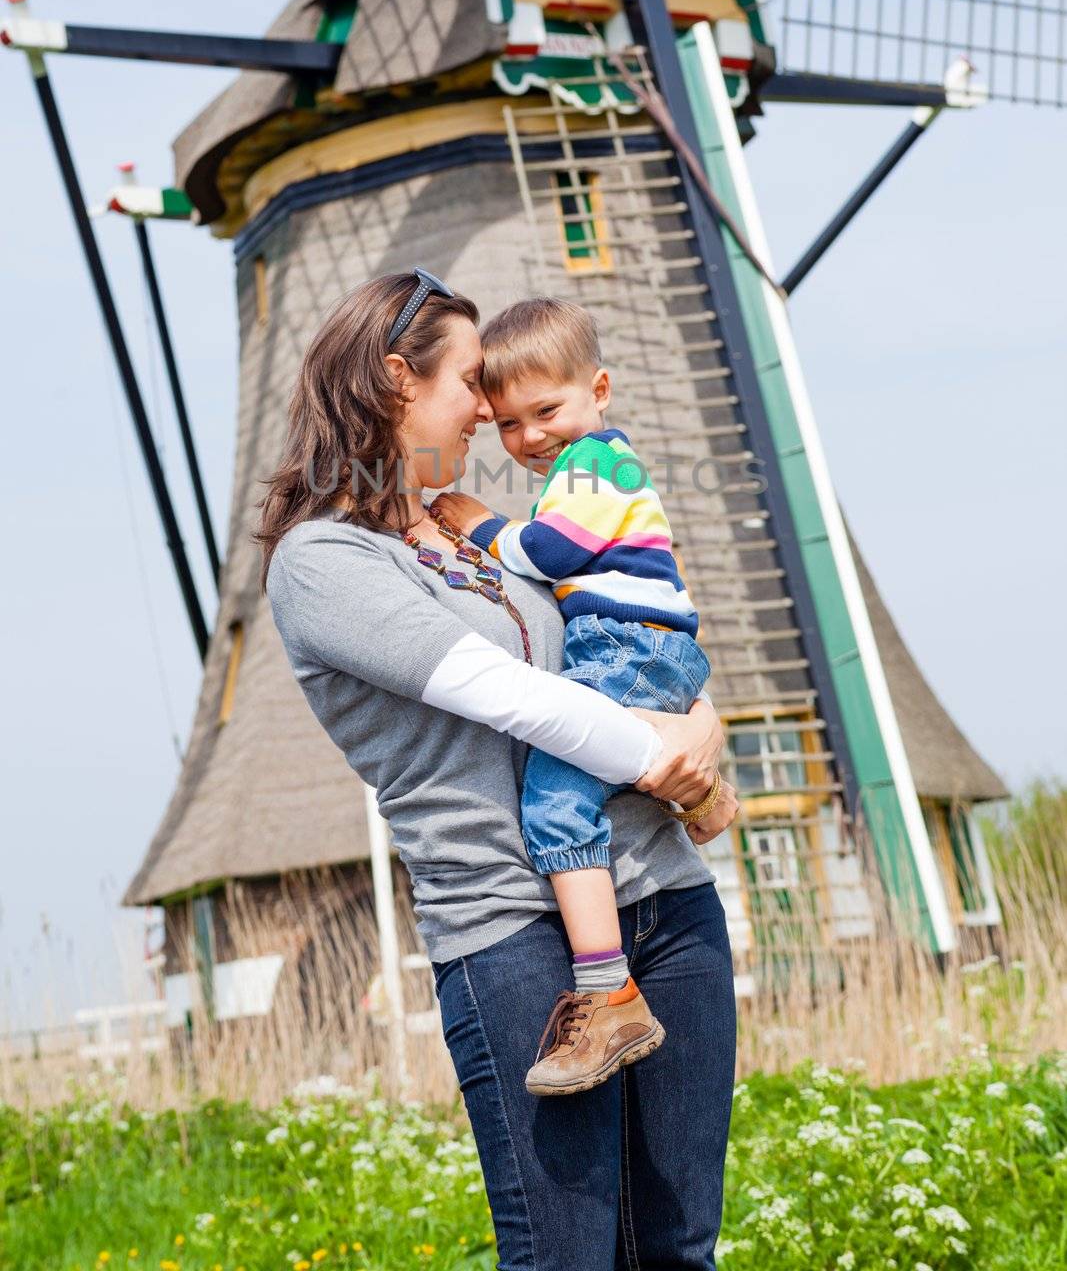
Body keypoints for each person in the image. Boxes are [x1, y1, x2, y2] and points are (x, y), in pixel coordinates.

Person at [257, 268, 739, 1270]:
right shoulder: (325, 561)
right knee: (566, 1256)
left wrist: (701, 718)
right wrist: (671, 764)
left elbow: (628, 625)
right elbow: (506, 692)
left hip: (661, 897)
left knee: (677, 1248)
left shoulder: (480, 535)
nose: (491, 407)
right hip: (510, 927)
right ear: (397, 379)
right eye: (472, 381)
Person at [434, 297, 715, 1097]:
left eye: (546, 410)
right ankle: (707, 798)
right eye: (509, 425)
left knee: (556, 798)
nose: (528, 436)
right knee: (605, 762)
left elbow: (552, 549)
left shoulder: (595, 464)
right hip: (635, 643)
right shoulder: (581, 466)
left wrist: (484, 527)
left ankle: (607, 993)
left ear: (599, 388)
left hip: (625, 643)